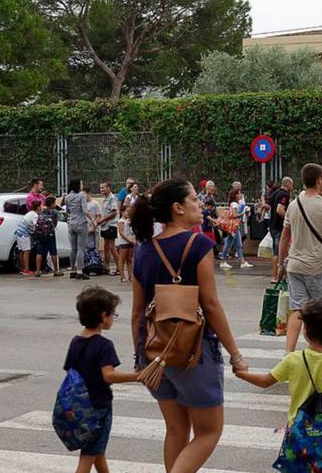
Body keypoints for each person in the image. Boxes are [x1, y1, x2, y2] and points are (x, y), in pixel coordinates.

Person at [130, 178, 248, 473]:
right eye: (194, 199)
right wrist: (235, 353)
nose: (200, 204)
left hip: (154, 353)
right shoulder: (198, 243)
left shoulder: (143, 250)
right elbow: (210, 304)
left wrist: (140, 358)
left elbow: (136, 313)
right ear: (177, 208)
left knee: (176, 431)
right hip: (193, 351)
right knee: (209, 431)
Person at [234, 298, 322, 469]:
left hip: (298, 432)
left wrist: (241, 374)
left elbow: (265, 382)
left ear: (306, 330)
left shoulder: (293, 360)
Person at [64, 287, 139, 473]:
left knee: (97, 451)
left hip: (80, 407)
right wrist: (138, 376)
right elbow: (109, 375)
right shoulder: (104, 345)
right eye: (113, 314)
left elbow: (70, 371)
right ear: (103, 316)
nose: (113, 318)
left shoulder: (76, 341)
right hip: (98, 407)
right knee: (87, 458)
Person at [278, 164, 322, 354]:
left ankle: (289, 353)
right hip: (317, 266)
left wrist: (280, 264)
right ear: (319, 180)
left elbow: (285, 236)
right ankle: (319, 352)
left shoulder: (293, 205)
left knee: (298, 311)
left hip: (294, 265)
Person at [219, 189, 253, 269]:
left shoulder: (234, 203)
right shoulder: (234, 204)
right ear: (235, 195)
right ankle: (223, 261)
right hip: (233, 226)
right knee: (229, 244)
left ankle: (242, 261)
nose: (240, 195)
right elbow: (234, 215)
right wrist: (244, 212)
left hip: (235, 226)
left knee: (238, 244)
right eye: (239, 193)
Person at [66, 179, 90, 280]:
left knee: (73, 249)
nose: (82, 185)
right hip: (81, 223)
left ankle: (73, 270)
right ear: (77, 185)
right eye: (81, 184)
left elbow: (67, 210)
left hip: (71, 223)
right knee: (81, 249)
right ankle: (80, 271)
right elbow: (85, 210)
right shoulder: (81, 196)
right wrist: (92, 220)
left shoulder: (67, 197)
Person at [270, 177, 293, 282]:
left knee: (276, 252)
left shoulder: (275, 193)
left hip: (273, 225)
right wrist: (289, 220)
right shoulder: (284, 195)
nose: (292, 188)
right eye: (292, 185)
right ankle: (276, 276)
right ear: (288, 185)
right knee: (280, 252)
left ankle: (276, 275)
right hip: (280, 226)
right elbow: (280, 209)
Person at [34, 196, 64, 278]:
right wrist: (52, 228)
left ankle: (37, 271)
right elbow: (55, 223)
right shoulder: (54, 212)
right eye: (54, 203)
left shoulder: (42, 210)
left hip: (41, 234)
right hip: (50, 234)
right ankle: (56, 270)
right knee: (53, 252)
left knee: (39, 252)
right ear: (52, 204)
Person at [98, 182, 122, 276]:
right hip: (105, 226)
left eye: (103, 187)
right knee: (106, 246)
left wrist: (103, 219)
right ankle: (106, 267)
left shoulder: (112, 198)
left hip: (111, 225)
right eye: (100, 188)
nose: (102, 190)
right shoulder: (106, 199)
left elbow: (114, 212)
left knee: (112, 247)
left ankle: (119, 268)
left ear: (108, 188)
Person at [14, 200, 40, 276]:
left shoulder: (30, 213)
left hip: (19, 232)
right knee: (26, 251)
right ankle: (26, 270)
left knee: (21, 250)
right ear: (38, 207)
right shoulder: (35, 215)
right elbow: (35, 226)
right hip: (24, 234)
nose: (42, 207)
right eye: (41, 206)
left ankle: (22, 269)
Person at [117, 208, 135, 282]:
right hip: (124, 242)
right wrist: (129, 240)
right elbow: (121, 233)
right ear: (122, 212)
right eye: (127, 212)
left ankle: (130, 276)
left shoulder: (129, 221)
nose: (128, 213)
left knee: (129, 259)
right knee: (122, 259)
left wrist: (133, 239)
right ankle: (122, 276)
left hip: (130, 241)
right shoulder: (121, 221)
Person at [84, 186, 101, 250]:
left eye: (84, 194)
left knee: (94, 248)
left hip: (93, 229)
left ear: (89, 193)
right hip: (85, 229)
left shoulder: (95, 203)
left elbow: (99, 216)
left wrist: (93, 227)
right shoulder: (82, 204)